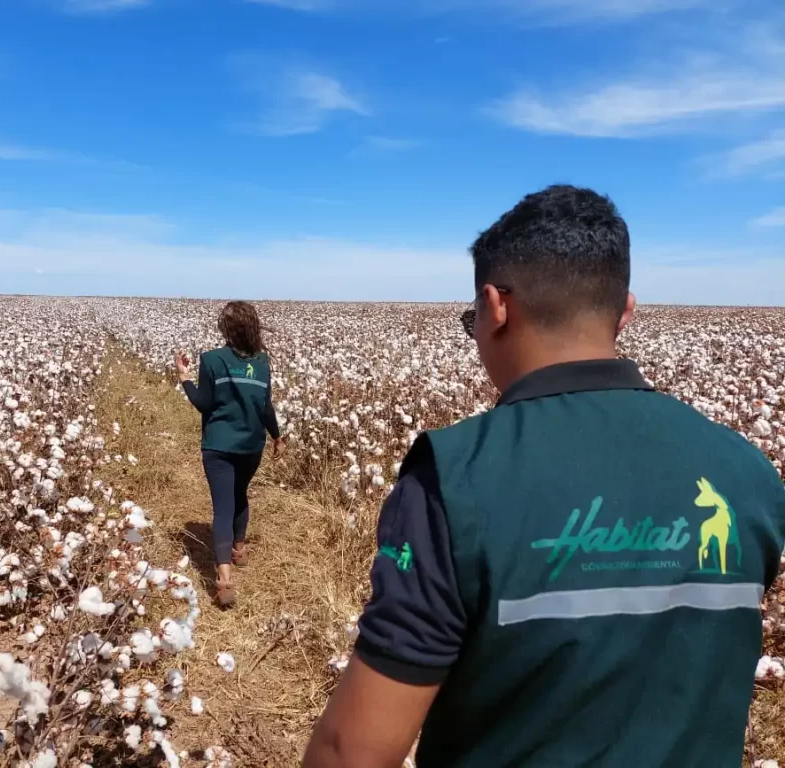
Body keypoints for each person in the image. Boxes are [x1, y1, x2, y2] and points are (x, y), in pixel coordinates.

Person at [302, 185, 785, 767]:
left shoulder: (456, 479)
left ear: (494, 306)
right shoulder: (749, 474)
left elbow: (352, 751)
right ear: (625, 311)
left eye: (470, 317)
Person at [176, 300, 286, 608]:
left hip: (219, 446)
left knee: (222, 507)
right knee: (240, 494)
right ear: (252, 327)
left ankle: (223, 579)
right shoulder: (262, 362)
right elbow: (266, 407)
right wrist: (277, 437)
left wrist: (184, 377)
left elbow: (204, 404)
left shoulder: (211, 360)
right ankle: (239, 550)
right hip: (252, 445)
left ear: (225, 328)